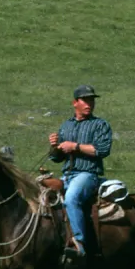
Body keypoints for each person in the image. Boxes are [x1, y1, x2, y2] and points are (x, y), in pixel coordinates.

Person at [48, 84, 113, 258]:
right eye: (85, 100)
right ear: (74, 103)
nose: (89, 104)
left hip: (88, 174)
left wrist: (74, 146)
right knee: (43, 197)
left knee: (71, 198)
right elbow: (56, 158)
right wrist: (54, 147)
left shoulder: (100, 125)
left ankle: (79, 244)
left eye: (91, 100)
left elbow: (102, 150)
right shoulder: (66, 126)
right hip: (66, 175)